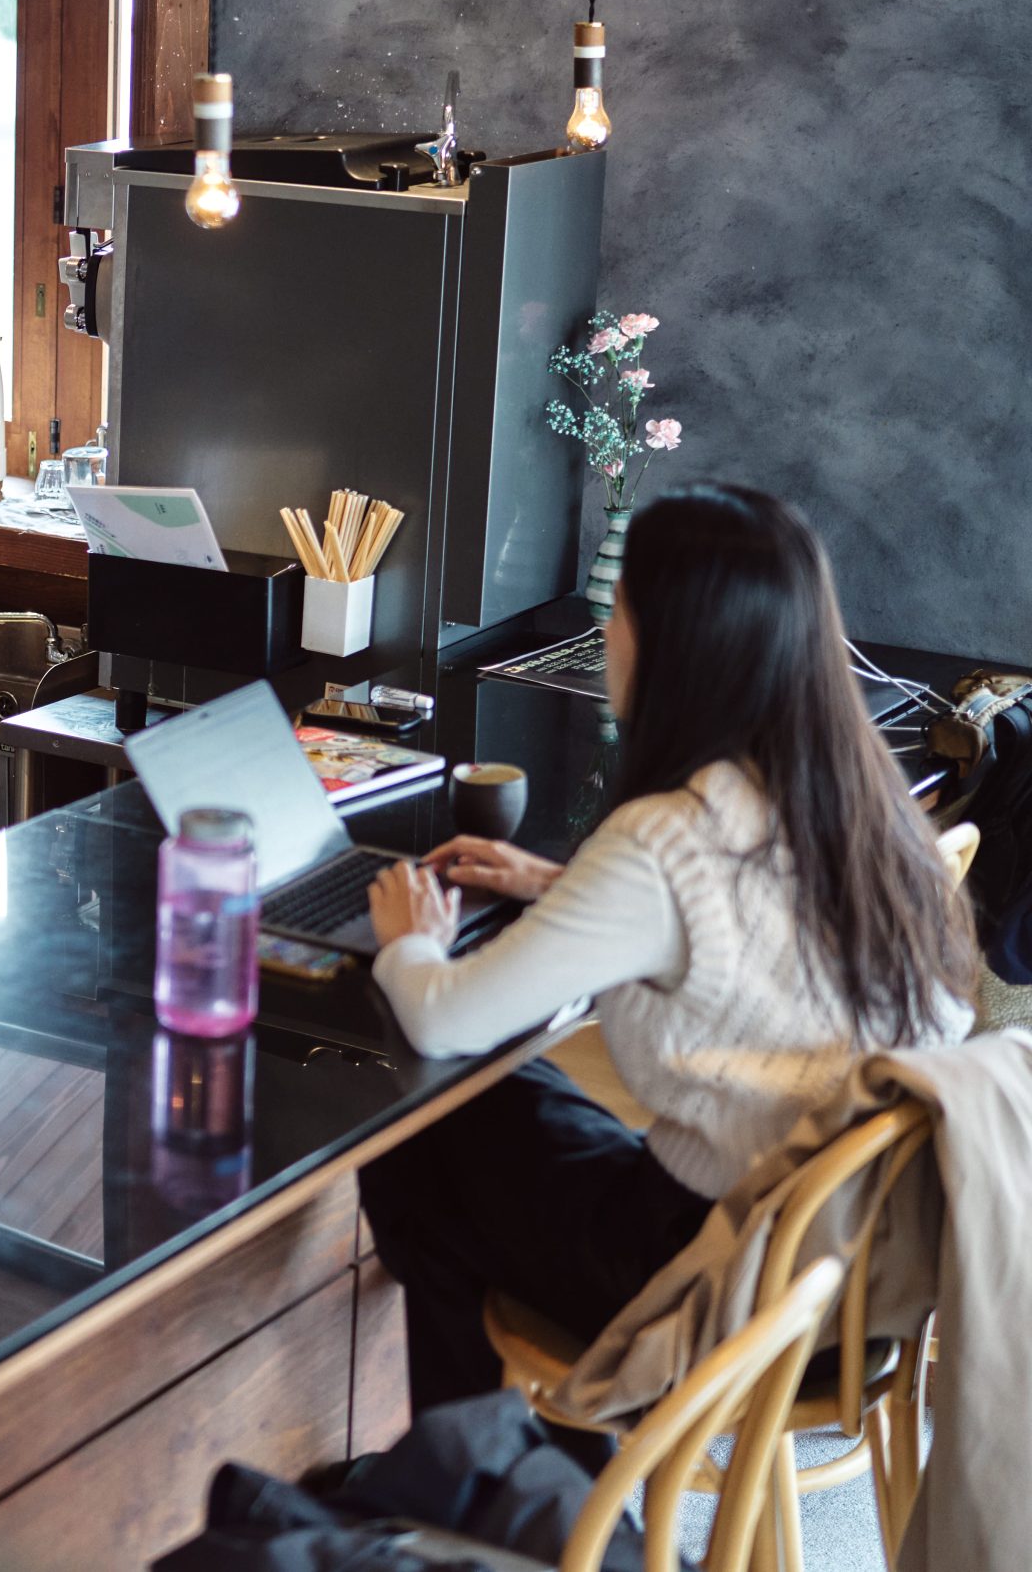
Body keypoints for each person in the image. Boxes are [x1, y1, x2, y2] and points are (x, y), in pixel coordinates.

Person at [357, 484, 976, 1412]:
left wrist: (409, 943)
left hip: (708, 1282)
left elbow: (442, 1016)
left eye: (618, 612)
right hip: (847, 1278)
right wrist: (567, 890)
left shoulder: (667, 838)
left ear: (668, 644)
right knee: (496, 1094)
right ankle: (497, 1456)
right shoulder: (863, 801)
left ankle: (489, 1465)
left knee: (412, 1125)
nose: (605, 634)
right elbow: (758, 932)